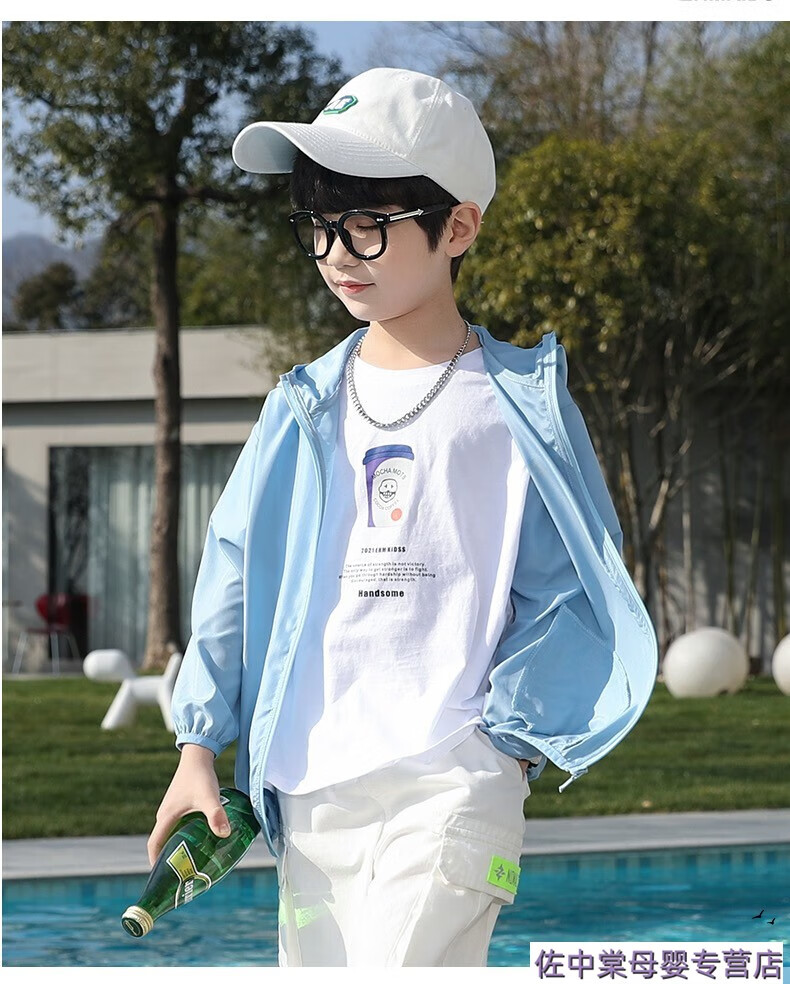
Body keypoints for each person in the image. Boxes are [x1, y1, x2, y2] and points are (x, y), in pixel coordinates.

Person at [147, 67, 658, 967]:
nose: (338, 253)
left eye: (368, 226)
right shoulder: (300, 404)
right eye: (319, 226)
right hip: (306, 786)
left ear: (457, 227)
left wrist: (507, 749)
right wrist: (198, 746)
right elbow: (233, 573)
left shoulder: (520, 403)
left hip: (454, 781)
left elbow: (567, 589)